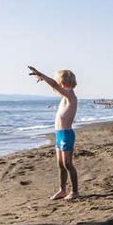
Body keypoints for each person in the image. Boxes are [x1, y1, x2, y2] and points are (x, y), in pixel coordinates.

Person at [28, 66, 79, 200]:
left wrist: (42, 75)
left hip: (66, 134)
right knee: (60, 164)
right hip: (59, 134)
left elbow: (54, 85)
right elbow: (55, 87)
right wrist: (43, 78)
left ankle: (75, 191)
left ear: (63, 82)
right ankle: (62, 190)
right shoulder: (65, 96)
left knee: (68, 163)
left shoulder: (71, 95)